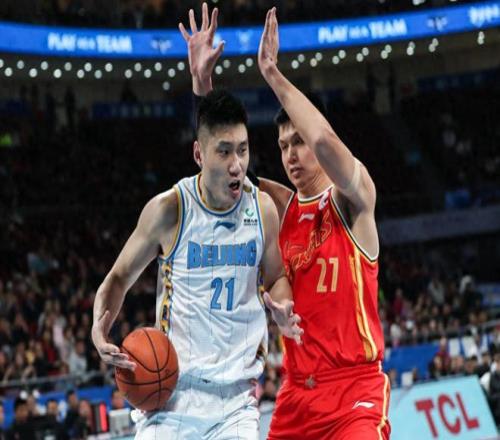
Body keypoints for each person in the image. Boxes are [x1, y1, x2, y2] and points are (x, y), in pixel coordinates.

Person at [183, 5, 390, 438]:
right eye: (282, 146)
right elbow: (223, 167)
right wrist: (202, 87)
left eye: (298, 141)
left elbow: (325, 140)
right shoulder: (278, 208)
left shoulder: (354, 199)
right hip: (297, 394)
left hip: (354, 392)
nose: (291, 154)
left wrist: (272, 73)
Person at [91, 53, 302, 439]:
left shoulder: (262, 210)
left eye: (243, 149)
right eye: (224, 151)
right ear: (198, 154)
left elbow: (276, 278)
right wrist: (98, 328)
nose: (237, 164)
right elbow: (118, 277)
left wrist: (283, 308)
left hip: (236, 402)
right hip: (171, 395)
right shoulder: (170, 210)